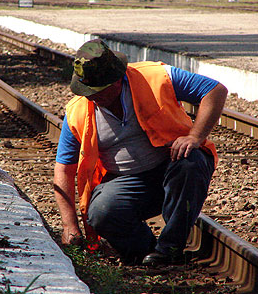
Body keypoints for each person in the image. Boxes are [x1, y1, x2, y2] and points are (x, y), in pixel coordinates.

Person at [53, 39, 227, 266]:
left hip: (172, 168)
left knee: (190, 163)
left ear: (116, 82)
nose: (90, 97)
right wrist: (70, 226)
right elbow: (63, 170)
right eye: (86, 91)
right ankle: (145, 252)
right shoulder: (77, 112)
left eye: (96, 91)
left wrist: (195, 136)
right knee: (102, 211)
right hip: (128, 182)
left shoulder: (156, 77)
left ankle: (169, 249)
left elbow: (215, 90)